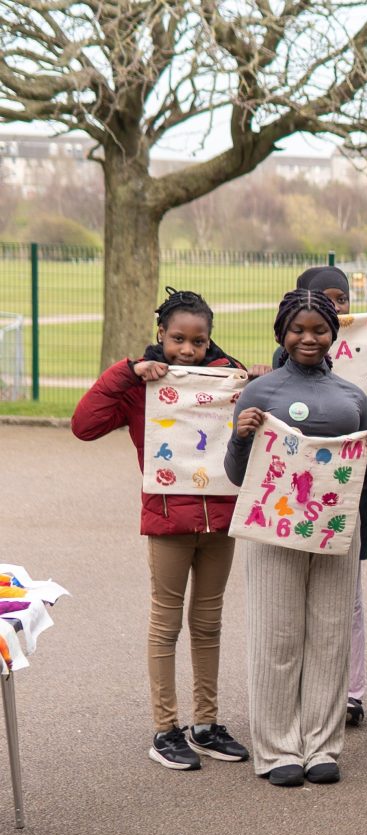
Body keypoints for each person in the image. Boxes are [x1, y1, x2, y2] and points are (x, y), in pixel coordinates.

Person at [71, 288, 255, 771]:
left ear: (210, 340)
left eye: (198, 341)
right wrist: (126, 371)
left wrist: (254, 380)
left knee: (209, 623)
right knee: (165, 622)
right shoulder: (140, 383)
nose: (188, 351)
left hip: (221, 520)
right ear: (161, 334)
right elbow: (83, 426)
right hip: (168, 519)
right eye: (177, 339)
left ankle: (206, 724)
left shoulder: (226, 378)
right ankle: (165, 727)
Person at [225, 289, 367, 787]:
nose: (309, 338)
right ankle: (276, 749)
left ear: (334, 334)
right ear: (281, 334)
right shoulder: (261, 392)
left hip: (337, 527)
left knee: (330, 635)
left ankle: (321, 744)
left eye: (319, 329)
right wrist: (240, 436)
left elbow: (362, 481)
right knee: (277, 637)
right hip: (274, 529)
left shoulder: (352, 397)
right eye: (298, 329)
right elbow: (236, 474)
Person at [271, 266, 367, 727]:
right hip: (291, 503)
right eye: (323, 299)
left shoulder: (356, 363)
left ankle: (349, 693)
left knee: (345, 604)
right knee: (290, 607)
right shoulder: (283, 366)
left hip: (345, 501)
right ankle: (297, 695)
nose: (335, 308)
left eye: (340, 300)